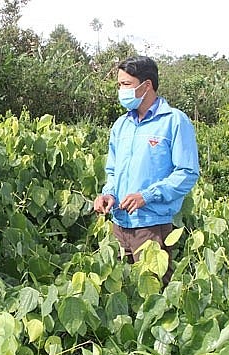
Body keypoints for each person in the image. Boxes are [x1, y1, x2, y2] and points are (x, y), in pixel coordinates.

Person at [92, 56, 199, 285]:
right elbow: (112, 170)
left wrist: (147, 196)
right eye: (119, 85)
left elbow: (187, 173)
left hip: (151, 226)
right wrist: (108, 194)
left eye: (126, 84)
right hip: (119, 224)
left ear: (147, 85)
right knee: (124, 291)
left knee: (155, 293)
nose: (121, 90)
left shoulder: (174, 122)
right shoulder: (121, 125)